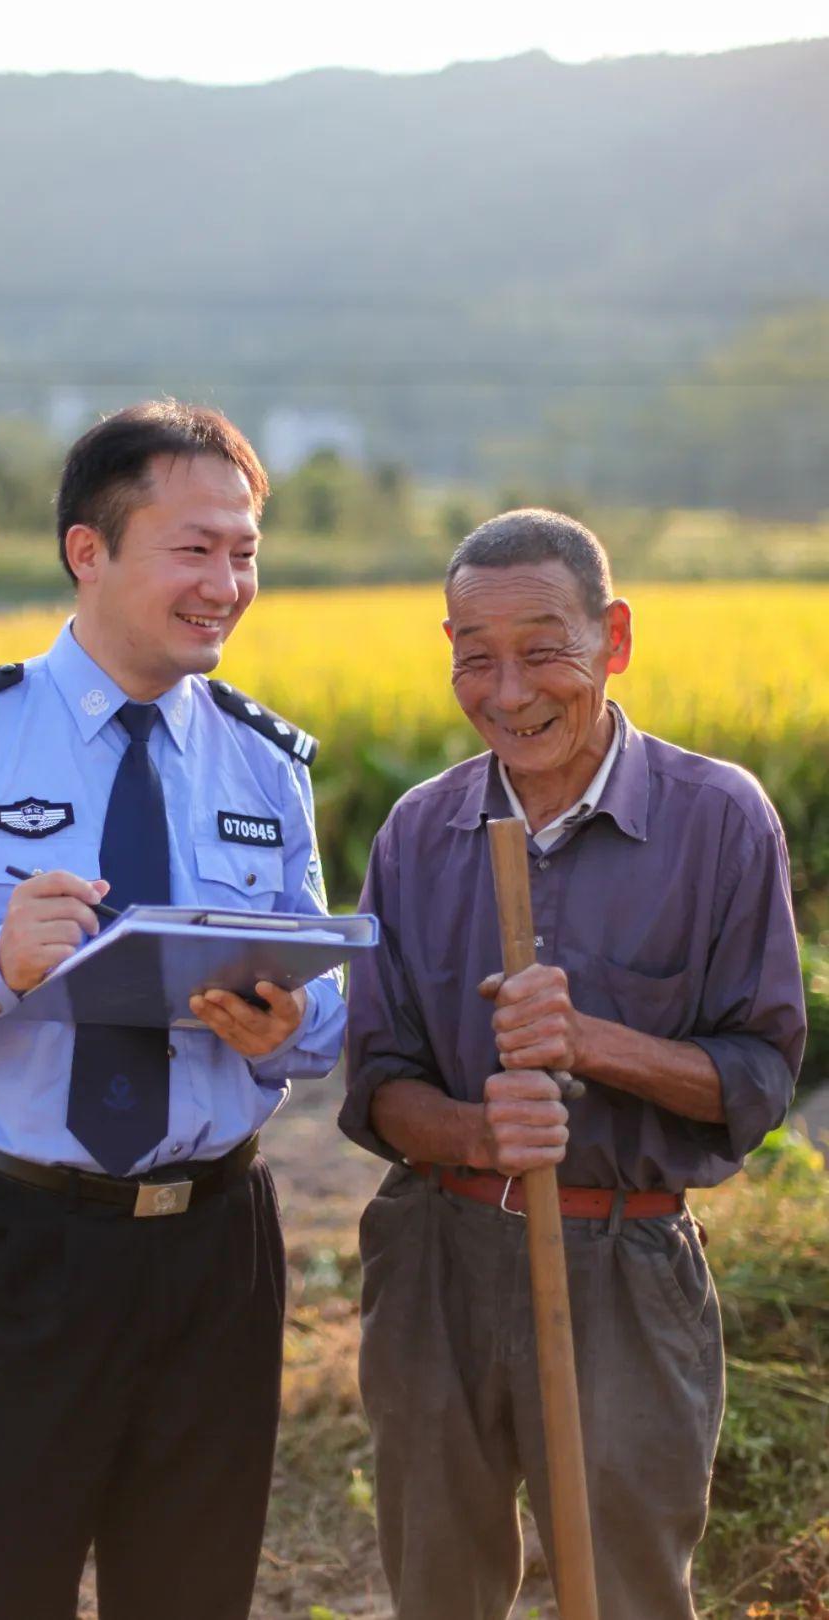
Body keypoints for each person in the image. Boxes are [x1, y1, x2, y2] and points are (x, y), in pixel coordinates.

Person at [0, 401, 346, 1620]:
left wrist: (292, 1028)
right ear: (87, 550)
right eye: (195, 549)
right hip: (32, 1239)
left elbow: (316, 1000)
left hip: (220, 1242)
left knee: (193, 1591)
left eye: (246, 551)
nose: (228, 583)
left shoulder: (266, 764)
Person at [339, 509, 806, 1620]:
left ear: (617, 639)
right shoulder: (417, 832)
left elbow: (757, 1079)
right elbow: (376, 1081)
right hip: (436, 1258)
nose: (509, 693)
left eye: (545, 651)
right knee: (436, 1579)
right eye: (474, 657)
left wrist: (591, 1042)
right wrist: (472, 1133)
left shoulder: (719, 822)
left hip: (624, 1259)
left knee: (630, 1587)